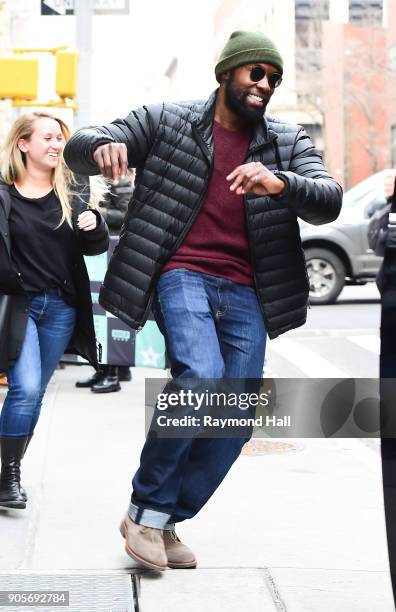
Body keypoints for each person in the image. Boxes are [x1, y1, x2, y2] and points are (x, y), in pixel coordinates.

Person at [64, 30, 342, 571]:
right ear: (226, 73)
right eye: (255, 73)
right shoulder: (168, 119)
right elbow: (84, 143)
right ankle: (146, 511)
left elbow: (327, 199)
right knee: (202, 376)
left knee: (234, 415)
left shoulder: (286, 142)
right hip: (182, 273)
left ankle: (163, 519)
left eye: (273, 78)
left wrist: (281, 183)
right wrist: (101, 147)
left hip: (247, 289)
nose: (265, 84)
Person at [0, 112, 109, 509]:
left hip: (61, 308)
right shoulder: (3, 195)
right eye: (47, 137)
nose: (56, 144)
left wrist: (93, 225)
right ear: (23, 144)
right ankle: (8, 478)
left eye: (60, 138)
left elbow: (93, 248)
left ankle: (7, 473)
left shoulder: (74, 192)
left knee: (35, 392)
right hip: (19, 306)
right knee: (25, 388)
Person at [75, 175, 134, 393]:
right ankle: (104, 369)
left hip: (113, 253)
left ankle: (113, 373)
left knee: (111, 315)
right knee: (98, 314)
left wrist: (97, 216)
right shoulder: (88, 178)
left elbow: (127, 214)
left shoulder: (121, 180)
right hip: (96, 252)